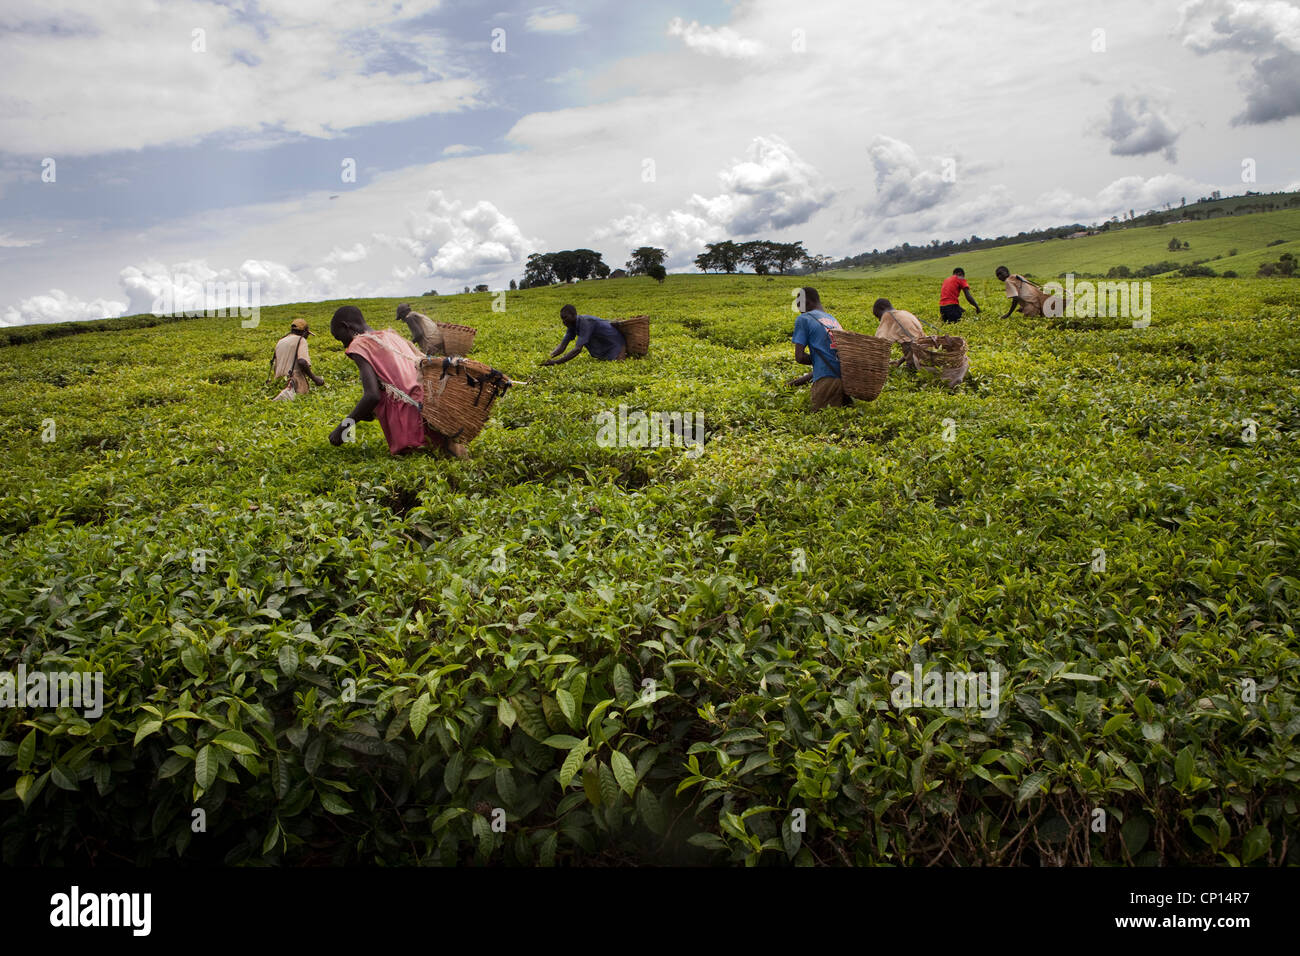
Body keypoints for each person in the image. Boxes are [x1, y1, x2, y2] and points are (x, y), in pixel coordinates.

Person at [327, 306, 466, 458]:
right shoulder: (392, 335)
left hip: (410, 417)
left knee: (421, 460)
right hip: (430, 406)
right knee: (447, 456)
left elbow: (372, 396)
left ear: (346, 327)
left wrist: (342, 429)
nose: (342, 344)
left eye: (339, 337)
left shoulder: (359, 344)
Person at [789, 286, 851, 411]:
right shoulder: (833, 320)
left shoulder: (804, 319)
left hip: (826, 381)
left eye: (798, 305)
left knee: (820, 421)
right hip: (845, 379)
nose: (798, 310)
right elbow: (828, 358)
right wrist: (793, 384)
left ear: (806, 302)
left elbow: (800, 357)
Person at [542, 305, 627, 365]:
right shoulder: (572, 326)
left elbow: (577, 349)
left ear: (574, 315)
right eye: (562, 318)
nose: (564, 321)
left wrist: (556, 362)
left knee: (617, 367)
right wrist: (547, 358)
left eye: (566, 317)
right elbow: (562, 346)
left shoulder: (585, 323)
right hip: (604, 351)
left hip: (616, 347)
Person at [269, 318, 324, 400]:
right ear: (304, 332)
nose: (307, 336)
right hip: (294, 383)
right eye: (307, 334)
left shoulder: (281, 341)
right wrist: (315, 379)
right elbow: (302, 362)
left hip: (278, 383)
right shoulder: (301, 340)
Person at [996, 266, 1061, 318]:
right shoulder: (1016, 276)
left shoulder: (1008, 281)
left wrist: (1008, 314)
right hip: (1038, 304)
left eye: (1000, 274)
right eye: (997, 275)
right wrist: (1022, 307)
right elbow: (1027, 291)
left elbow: (1015, 298)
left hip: (1031, 307)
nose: (999, 277)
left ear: (1006, 272)